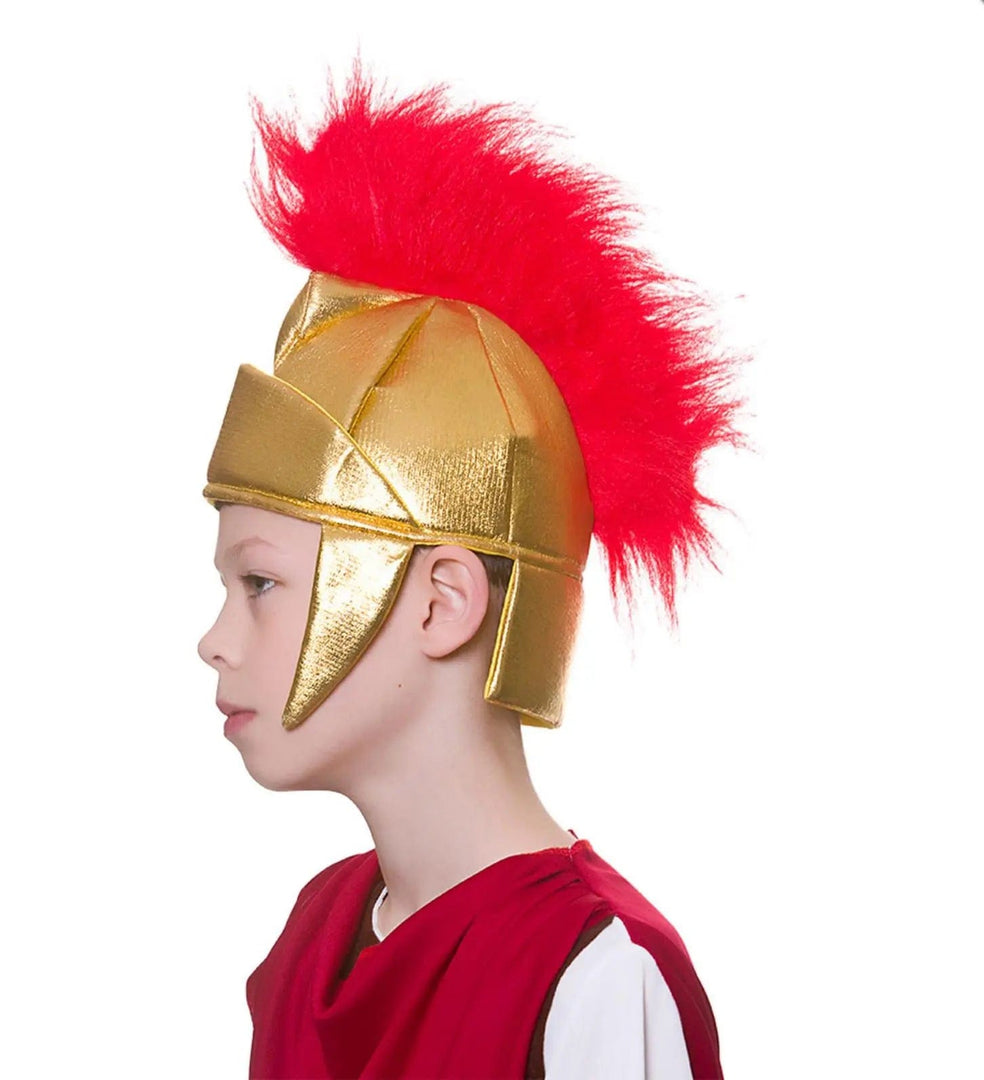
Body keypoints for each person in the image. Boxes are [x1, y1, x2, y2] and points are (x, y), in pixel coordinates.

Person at [197, 61, 741, 1080]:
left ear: (442, 600)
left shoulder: (593, 975)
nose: (214, 639)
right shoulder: (315, 937)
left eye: (260, 584)